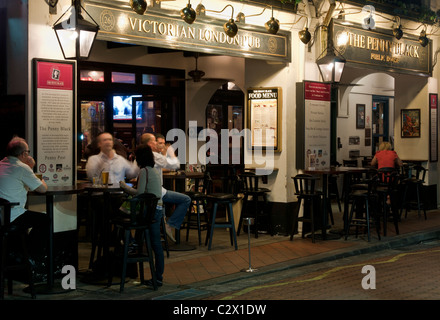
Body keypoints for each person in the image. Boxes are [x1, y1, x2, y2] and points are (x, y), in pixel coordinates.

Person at [119, 144, 165, 287]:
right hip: (158, 209)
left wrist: (124, 187)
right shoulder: (154, 171)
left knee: (121, 220)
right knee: (156, 245)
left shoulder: (144, 171)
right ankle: (158, 277)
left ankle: (132, 245)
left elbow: (139, 193)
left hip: (149, 212)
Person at [0, 137, 49, 264]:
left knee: (30, 219)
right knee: (45, 220)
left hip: (1, 216)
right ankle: (30, 256)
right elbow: (42, 189)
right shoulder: (22, 167)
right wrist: (31, 167)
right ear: (24, 154)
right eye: (28, 151)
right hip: (12, 216)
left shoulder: (1, 164)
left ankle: (19, 253)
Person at [140, 133, 191, 243]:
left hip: (148, 195)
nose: (161, 145)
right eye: (158, 143)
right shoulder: (154, 155)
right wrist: (171, 152)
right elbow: (175, 165)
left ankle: (143, 239)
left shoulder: (142, 155)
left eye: (163, 143)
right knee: (186, 199)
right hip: (157, 194)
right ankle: (169, 225)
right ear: (150, 144)